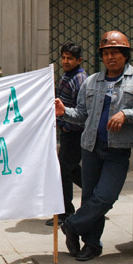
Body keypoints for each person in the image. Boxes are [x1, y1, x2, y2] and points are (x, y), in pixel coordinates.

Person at [55, 31, 133, 261]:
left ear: (125, 54)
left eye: (116, 52)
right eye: (106, 53)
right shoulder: (92, 82)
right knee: (90, 196)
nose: (111, 57)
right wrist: (64, 112)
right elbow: (81, 114)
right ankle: (91, 244)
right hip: (90, 147)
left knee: (105, 198)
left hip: (118, 150)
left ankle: (72, 225)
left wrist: (126, 114)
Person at [47, 43, 88, 227]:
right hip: (66, 129)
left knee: (63, 170)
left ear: (78, 60)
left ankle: (65, 211)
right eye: (63, 57)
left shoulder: (79, 79)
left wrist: (68, 125)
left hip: (75, 132)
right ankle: (94, 192)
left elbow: (80, 110)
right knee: (70, 168)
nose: (65, 61)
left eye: (69, 58)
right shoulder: (68, 76)